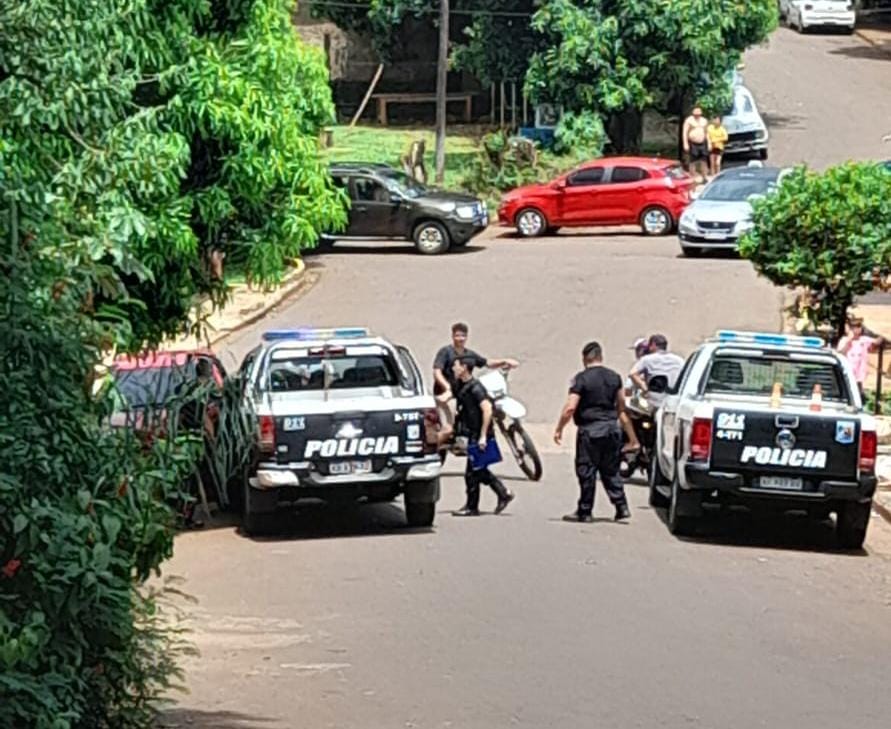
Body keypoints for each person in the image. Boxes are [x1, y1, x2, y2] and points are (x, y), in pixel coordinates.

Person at [553, 341, 631, 523]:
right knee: (610, 470)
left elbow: (570, 408)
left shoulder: (581, 379)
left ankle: (585, 511)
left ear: (584, 358)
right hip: (612, 429)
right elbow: (621, 406)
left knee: (586, 470)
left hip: (590, 430)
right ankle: (621, 506)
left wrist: (559, 428)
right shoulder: (614, 377)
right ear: (600, 357)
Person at [450, 356, 515, 517]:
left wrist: (483, 436)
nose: (453, 368)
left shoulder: (476, 388)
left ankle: (473, 506)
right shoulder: (461, 385)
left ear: (464, 367)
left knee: (473, 472)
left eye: (456, 366)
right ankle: (502, 493)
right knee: (478, 470)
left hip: (479, 434)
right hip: (471, 432)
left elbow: (487, 410)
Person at [432, 322, 519, 425]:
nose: (460, 338)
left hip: (463, 392)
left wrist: (505, 361)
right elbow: (437, 372)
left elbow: (487, 362)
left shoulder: (470, 354)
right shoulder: (445, 352)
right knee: (448, 429)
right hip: (446, 394)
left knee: (483, 404)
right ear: (452, 336)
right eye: (457, 335)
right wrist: (447, 387)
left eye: (463, 336)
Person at [629, 334, 685, 410]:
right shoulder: (679, 360)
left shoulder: (647, 359)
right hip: (674, 402)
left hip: (653, 402)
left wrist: (644, 387)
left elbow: (632, 374)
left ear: (653, 345)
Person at [837, 317, 883, 399]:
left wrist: (880, 336)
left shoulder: (864, 339)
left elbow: (875, 344)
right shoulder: (844, 340)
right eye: (854, 327)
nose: (857, 329)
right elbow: (840, 353)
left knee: (858, 391)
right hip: (848, 371)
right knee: (847, 390)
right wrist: (849, 341)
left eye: (859, 327)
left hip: (859, 372)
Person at [682, 105, 710, 182]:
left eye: (699, 112)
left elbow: (707, 132)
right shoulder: (689, 120)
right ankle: (693, 178)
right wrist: (685, 143)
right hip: (693, 143)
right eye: (695, 112)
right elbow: (684, 132)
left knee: (704, 161)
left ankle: (704, 177)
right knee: (692, 161)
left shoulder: (704, 121)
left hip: (702, 143)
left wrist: (709, 143)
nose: (697, 114)